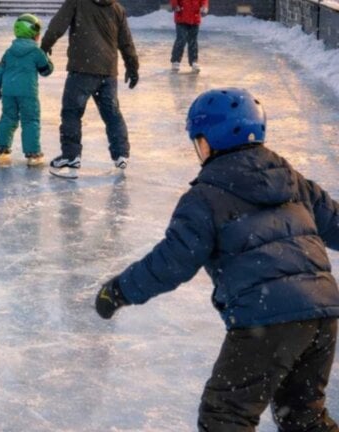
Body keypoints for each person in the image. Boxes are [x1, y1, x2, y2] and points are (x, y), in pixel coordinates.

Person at [95, 88, 339, 431]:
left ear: (207, 141)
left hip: (266, 317)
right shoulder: (294, 181)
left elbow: (171, 263)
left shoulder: (204, 197)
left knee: (224, 416)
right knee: (303, 417)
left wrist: (120, 289)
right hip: (324, 314)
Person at [40, 0, 139, 171]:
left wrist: (45, 46)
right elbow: (126, 42)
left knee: (72, 112)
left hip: (81, 70)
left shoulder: (77, 2)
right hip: (107, 71)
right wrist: (132, 67)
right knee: (112, 114)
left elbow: (58, 24)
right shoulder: (116, 8)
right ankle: (121, 153)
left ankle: (71, 156)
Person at [0, 14, 54, 167]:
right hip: (27, 93)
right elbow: (46, 71)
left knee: (8, 118)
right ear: (32, 33)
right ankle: (33, 153)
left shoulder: (9, 51)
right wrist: (47, 57)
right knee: (30, 120)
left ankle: (2, 150)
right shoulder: (36, 52)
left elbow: (0, 69)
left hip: (8, 92)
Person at [170, 0, 209, 73]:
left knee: (193, 40)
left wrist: (204, 6)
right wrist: (175, 5)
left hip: (195, 17)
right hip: (181, 16)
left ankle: (194, 61)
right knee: (181, 39)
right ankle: (175, 61)